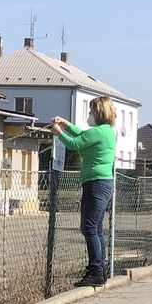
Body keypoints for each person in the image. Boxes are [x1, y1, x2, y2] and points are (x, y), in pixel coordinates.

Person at [51, 96, 117, 287]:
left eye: (92, 110)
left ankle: (96, 271)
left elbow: (75, 144)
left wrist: (59, 133)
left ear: (100, 112)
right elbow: (82, 135)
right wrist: (67, 124)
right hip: (103, 183)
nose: (89, 113)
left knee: (89, 228)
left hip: (96, 183)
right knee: (96, 228)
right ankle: (99, 269)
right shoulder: (105, 131)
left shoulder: (99, 131)